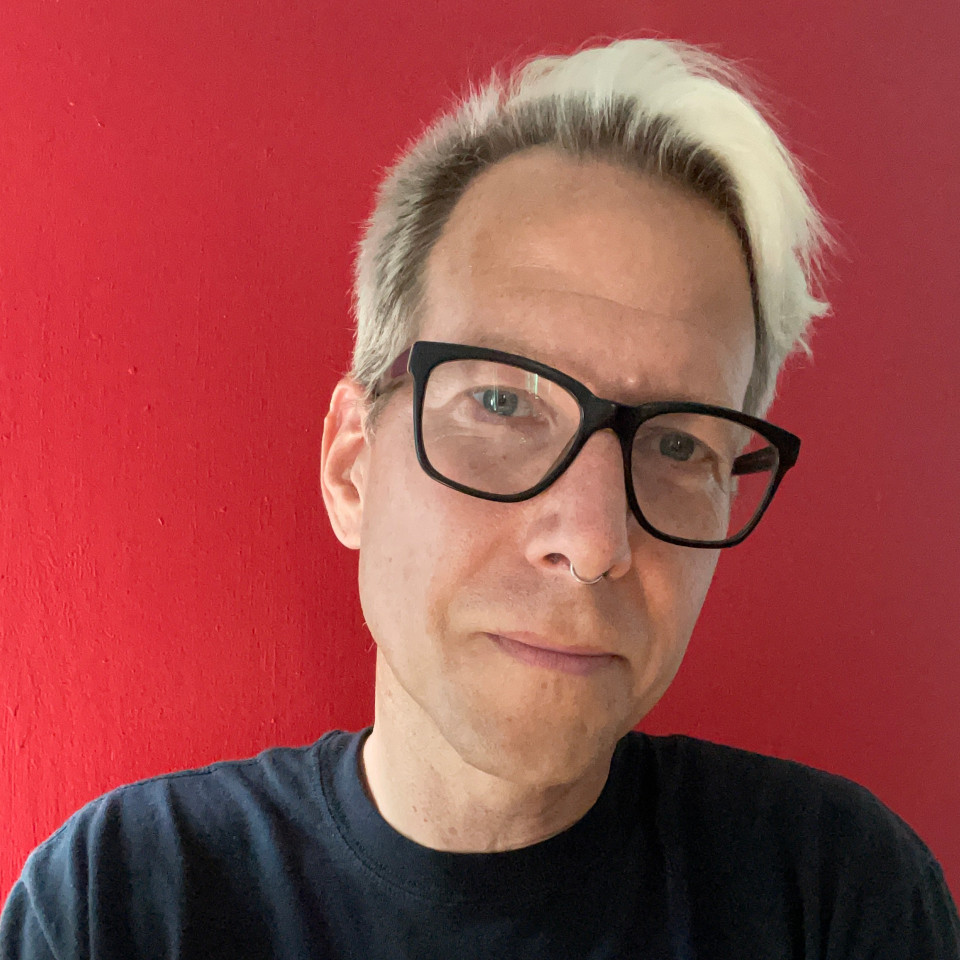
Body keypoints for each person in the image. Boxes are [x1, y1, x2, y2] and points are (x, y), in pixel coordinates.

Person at [2, 37, 958, 960]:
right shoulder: (117, 904)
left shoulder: (838, 897)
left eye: (677, 444)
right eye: (501, 402)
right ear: (352, 466)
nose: (593, 540)